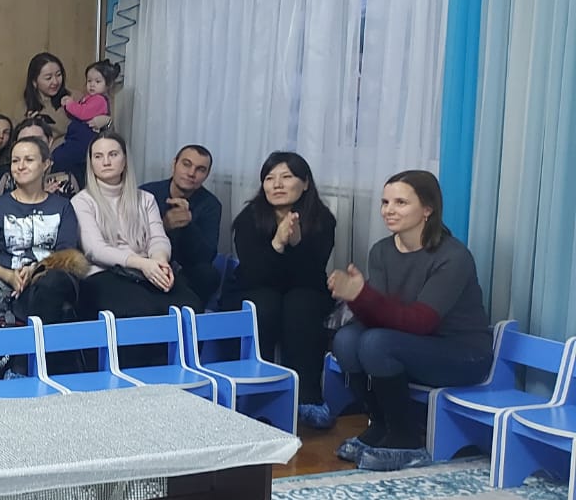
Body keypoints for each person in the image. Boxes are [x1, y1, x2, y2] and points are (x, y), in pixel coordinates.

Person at [329, 170, 493, 471]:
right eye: (385, 202)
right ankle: (381, 424)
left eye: (401, 202)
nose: (388, 210)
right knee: (347, 339)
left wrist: (362, 295)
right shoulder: (381, 251)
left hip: (463, 353)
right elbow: (378, 316)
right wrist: (357, 298)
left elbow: (420, 322)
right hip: (410, 344)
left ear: (427, 209)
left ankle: (406, 440)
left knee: (376, 343)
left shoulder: (453, 256)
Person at [227, 151, 337, 429]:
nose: (276, 185)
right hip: (255, 288)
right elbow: (254, 275)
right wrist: (277, 244)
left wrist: (297, 243)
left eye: (286, 177)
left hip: (304, 290)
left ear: (305, 183)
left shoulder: (322, 220)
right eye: (269, 178)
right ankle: (259, 392)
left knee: (301, 305)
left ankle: (308, 396)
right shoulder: (249, 218)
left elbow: (312, 275)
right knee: (265, 304)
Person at [72, 133, 202, 322]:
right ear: (91, 163)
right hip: (103, 274)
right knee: (142, 311)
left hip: (147, 269)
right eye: (98, 156)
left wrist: (159, 261)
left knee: (191, 306)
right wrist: (142, 263)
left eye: (113, 154)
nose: (106, 162)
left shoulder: (145, 199)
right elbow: (95, 250)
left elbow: (158, 238)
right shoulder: (82, 201)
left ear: (125, 160)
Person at [0, 137, 84, 327]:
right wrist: (10, 276)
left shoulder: (63, 207)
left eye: (29, 160)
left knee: (53, 283)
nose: (20, 166)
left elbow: (66, 253)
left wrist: (36, 269)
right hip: (9, 284)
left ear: (46, 164)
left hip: (52, 278)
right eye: (15, 161)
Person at [141, 144, 222, 306]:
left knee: (209, 274)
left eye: (200, 169)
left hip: (185, 271)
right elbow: (130, 240)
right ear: (174, 164)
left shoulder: (211, 204)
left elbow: (207, 255)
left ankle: (188, 312)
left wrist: (188, 226)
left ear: (207, 175)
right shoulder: (146, 193)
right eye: (186, 164)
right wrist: (163, 227)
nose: (191, 173)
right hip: (147, 265)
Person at [21, 52, 104, 193]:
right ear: (34, 82)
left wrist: (106, 122)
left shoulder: (76, 97)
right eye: (48, 78)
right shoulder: (25, 108)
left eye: (58, 75)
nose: (55, 82)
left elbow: (104, 131)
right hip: (49, 168)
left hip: (83, 160)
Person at [0, 117, 49, 206]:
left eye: (37, 140)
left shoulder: (63, 170)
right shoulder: (4, 175)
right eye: (23, 141)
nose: (30, 146)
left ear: (50, 141)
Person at [61, 60, 120, 134]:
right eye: (89, 81)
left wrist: (70, 104)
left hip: (88, 135)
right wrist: (66, 106)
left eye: (97, 81)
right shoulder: (88, 98)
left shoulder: (100, 100)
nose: (92, 84)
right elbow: (76, 115)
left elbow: (83, 113)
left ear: (108, 85)